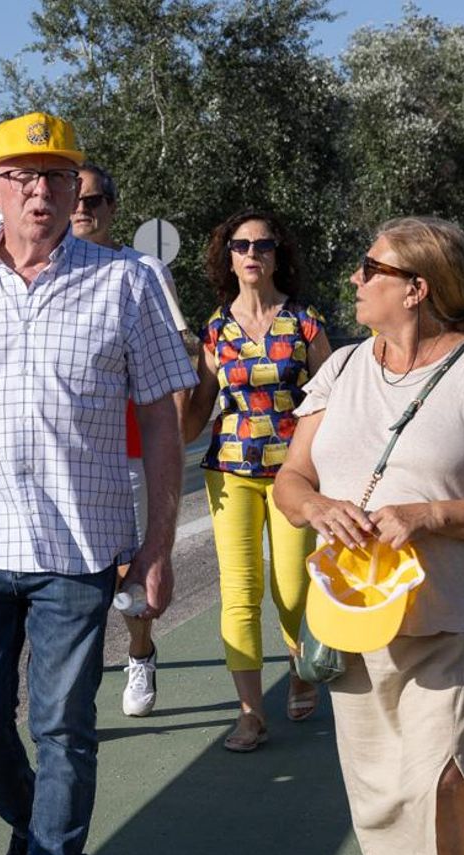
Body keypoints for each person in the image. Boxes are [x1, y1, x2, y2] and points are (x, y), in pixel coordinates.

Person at [0, 112, 196, 855]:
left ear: (77, 192)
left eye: (58, 177)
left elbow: (165, 420)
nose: (41, 192)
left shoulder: (128, 281)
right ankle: (34, 832)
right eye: (23, 178)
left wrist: (158, 545)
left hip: (79, 550)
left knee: (65, 729)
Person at [274, 216, 464, 855]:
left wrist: (428, 515)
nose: (355, 279)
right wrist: (317, 509)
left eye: (371, 268)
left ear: (417, 288)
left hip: (456, 619)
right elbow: (289, 481)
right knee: (380, 801)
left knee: (443, 778)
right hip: (355, 618)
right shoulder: (340, 367)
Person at [182, 209, 331, 752]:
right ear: (228, 256)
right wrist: (177, 380)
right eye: (240, 245)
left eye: (262, 245)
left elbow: (331, 403)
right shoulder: (214, 331)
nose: (251, 254)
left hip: (296, 473)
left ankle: (299, 666)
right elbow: (192, 421)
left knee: (292, 587)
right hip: (230, 472)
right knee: (239, 595)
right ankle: (250, 713)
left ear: (277, 255)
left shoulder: (306, 323)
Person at [69, 161, 193, 717]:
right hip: (71, 453)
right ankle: (72, 694)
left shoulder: (140, 270)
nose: (81, 209)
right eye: (75, 197)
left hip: (131, 451)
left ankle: (140, 653)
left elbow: (174, 361)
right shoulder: (44, 272)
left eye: (94, 200)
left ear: (112, 208)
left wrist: (179, 432)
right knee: (65, 577)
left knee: (125, 572)